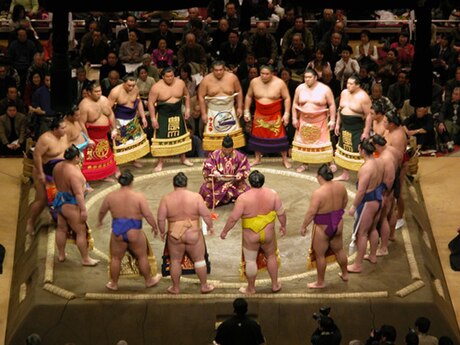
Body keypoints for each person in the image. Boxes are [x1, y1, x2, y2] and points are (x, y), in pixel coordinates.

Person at [220, 170, 286, 294]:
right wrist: (283, 226)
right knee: (271, 256)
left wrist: (225, 232)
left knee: (250, 260)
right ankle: (275, 284)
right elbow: (281, 213)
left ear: (249, 183)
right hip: (268, 233)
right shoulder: (273, 194)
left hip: (251, 235)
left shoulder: (243, 198)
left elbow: (233, 218)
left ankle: (251, 288)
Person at [97, 169, 162, 291]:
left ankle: (113, 283)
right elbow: (147, 214)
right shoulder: (138, 197)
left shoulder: (111, 197)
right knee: (142, 256)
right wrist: (154, 226)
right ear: (132, 182)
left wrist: (100, 221)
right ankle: (149, 280)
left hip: (118, 232)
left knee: (116, 258)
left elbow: (102, 211)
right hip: (134, 232)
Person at [157, 172, 215, 294]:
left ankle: (176, 288)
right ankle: (204, 286)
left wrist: (162, 232)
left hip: (175, 233)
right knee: (199, 260)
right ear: (186, 184)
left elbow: (161, 219)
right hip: (193, 232)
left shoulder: (166, 199)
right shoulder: (196, 197)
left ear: (174, 184)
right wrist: (210, 227)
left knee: (175, 261)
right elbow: (205, 214)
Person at [300, 164, 348, 288]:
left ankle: (320, 282)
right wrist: (337, 214)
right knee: (339, 250)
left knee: (320, 255)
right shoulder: (341, 187)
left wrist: (304, 226)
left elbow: (311, 213)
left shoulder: (319, 193)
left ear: (319, 176)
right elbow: (345, 202)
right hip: (338, 222)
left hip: (323, 225)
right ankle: (345, 274)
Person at [52, 145, 99, 266]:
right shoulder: (73, 173)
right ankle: (85, 259)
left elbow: (57, 183)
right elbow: (78, 194)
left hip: (59, 201)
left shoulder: (57, 166)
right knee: (81, 231)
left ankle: (61, 255)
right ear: (76, 157)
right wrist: (83, 210)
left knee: (61, 228)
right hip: (70, 204)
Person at [347, 139, 385, 273]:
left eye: (359, 149)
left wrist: (353, 206)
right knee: (373, 228)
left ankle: (357, 265)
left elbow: (361, 191)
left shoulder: (366, 168)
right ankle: (373, 256)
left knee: (361, 234)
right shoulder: (378, 162)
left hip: (368, 202)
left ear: (363, 151)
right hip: (378, 198)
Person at [26, 116, 69, 235]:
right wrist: (40, 173)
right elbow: (37, 155)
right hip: (45, 172)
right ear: (55, 129)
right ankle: (31, 221)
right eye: (62, 127)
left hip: (60, 173)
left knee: (63, 197)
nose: (65, 129)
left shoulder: (64, 136)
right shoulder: (45, 139)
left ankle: (57, 219)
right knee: (42, 200)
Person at [244, 65, 291, 168]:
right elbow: (248, 96)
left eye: (267, 74)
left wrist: (286, 114)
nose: (264, 76)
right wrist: (246, 110)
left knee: (280, 136)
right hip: (259, 113)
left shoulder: (279, 83)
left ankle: (284, 159)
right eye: (262, 74)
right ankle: (257, 158)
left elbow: (287, 98)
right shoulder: (254, 82)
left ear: (272, 73)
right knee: (257, 136)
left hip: (275, 114)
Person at [148, 67, 193, 172]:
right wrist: (153, 118)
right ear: (162, 77)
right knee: (161, 138)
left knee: (181, 135)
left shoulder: (180, 83)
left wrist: (188, 109)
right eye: (167, 76)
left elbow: (186, 95)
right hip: (163, 115)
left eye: (172, 76)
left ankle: (183, 158)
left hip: (177, 113)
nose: (170, 78)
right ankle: (160, 162)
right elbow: (150, 103)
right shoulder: (156, 87)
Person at [291, 68, 336, 173]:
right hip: (304, 120)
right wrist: (294, 118)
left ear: (315, 78)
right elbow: (295, 104)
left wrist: (332, 120)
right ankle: (305, 163)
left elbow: (332, 104)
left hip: (321, 121)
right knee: (305, 144)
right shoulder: (300, 88)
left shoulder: (325, 89)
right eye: (305, 77)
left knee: (324, 143)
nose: (307, 79)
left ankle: (330, 162)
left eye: (309, 77)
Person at [198, 60, 245, 152]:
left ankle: (232, 157)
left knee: (231, 135)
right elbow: (201, 96)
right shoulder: (206, 80)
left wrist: (239, 107)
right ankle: (214, 159)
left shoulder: (232, 78)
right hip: (212, 111)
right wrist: (203, 113)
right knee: (212, 137)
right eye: (216, 70)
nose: (218, 72)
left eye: (220, 70)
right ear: (212, 70)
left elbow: (239, 91)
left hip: (229, 110)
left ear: (224, 69)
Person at [334, 75, 373, 181]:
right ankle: (345, 174)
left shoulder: (363, 97)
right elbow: (340, 109)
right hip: (345, 127)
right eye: (347, 83)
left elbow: (369, 115)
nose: (348, 85)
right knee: (344, 149)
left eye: (351, 84)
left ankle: (362, 176)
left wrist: (366, 132)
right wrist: (338, 124)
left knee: (359, 152)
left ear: (358, 85)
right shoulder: (344, 93)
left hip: (357, 128)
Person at [108, 74, 150, 169]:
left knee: (133, 141)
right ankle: (116, 166)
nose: (131, 87)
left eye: (133, 85)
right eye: (129, 85)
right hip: (119, 120)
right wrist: (112, 127)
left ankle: (133, 160)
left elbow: (138, 102)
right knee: (119, 144)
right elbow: (107, 110)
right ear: (124, 83)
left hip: (133, 119)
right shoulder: (115, 92)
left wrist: (143, 117)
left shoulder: (135, 89)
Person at [78, 81, 117, 182]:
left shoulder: (104, 100)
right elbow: (81, 123)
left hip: (104, 135)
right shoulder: (84, 105)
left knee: (104, 156)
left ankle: (105, 175)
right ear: (89, 93)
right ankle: (86, 181)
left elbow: (110, 114)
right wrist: (87, 139)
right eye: (96, 91)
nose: (99, 93)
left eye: (100, 91)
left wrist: (114, 129)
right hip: (92, 136)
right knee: (90, 160)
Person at [199, 135, 250, 209]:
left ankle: (230, 197)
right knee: (204, 189)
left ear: (232, 148)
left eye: (229, 150)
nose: (227, 152)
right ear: (222, 147)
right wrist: (214, 171)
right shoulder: (215, 155)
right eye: (225, 150)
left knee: (247, 191)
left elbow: (244, 168)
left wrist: (240, 174)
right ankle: (230, 198)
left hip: (234, 182)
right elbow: (208, 164)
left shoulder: (240, 156)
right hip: (218, 182)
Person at [371, 134, 401, 257]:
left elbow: (389, 178)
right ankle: (392, 235)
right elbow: (400, 160)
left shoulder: (385, 159)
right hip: (394, 184)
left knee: (383, 218)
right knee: (391, 212)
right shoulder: (392, 150)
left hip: (387, 189)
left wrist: (385, 194)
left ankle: (383, 248)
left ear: (377, 145)